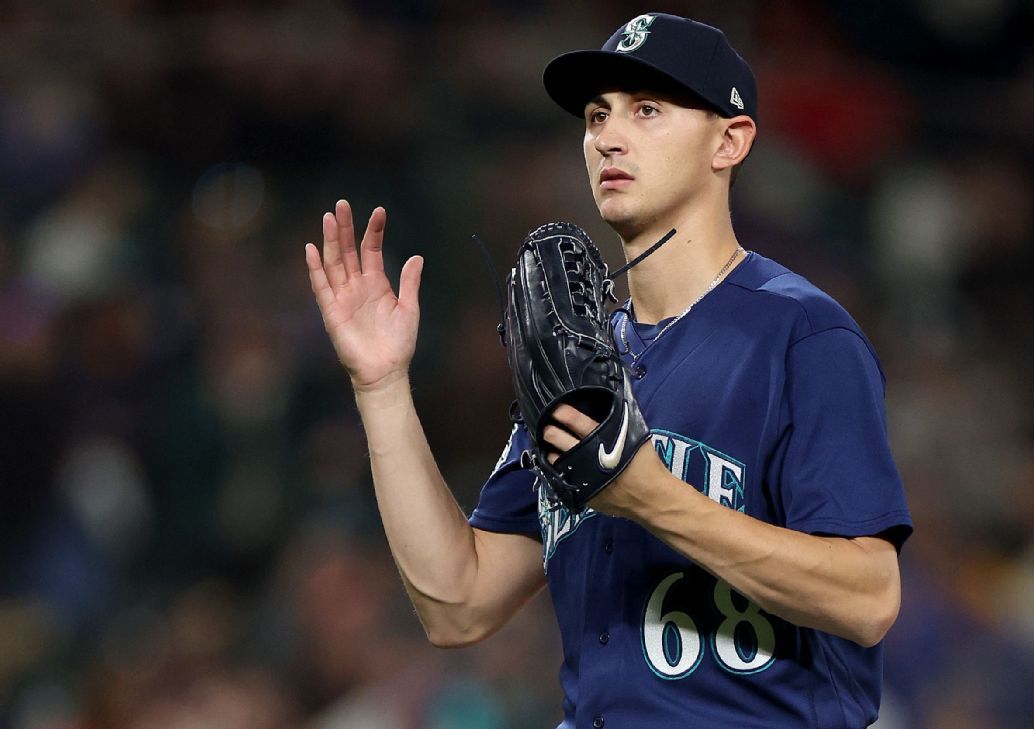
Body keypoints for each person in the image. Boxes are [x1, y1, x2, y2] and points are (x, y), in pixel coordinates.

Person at [305, 12, 912, 728]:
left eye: (647, 109)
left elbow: (868, 598)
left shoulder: (801, 334)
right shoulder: (578, 362)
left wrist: (653, 498)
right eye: (597, 116)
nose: (608, 137)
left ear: (730, 140)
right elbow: (458, 602)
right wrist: (380, 387)